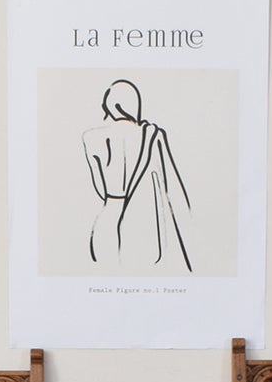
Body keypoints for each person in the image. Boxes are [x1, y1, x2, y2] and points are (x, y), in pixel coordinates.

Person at [82, 79, 192, 273]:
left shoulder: (91, 138)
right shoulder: (152, 134)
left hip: (107, 217)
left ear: (111, 105)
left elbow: (99, 188)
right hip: (139, 224)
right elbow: (170, 187)